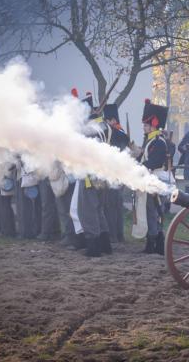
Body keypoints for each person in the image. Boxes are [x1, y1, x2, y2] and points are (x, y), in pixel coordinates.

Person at [69, 91, 111, 257]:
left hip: (90, 177)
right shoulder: (100, 128)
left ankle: (94, 245)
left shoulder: (89, 131)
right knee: (98, 210)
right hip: (101, 176)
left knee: (89, 211)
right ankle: (105, 244)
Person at [132, 99, 168, 255]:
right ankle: (154, 243)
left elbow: (154, 161)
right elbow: (146, 158)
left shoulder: (158, 142)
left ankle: (154, 244)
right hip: (150, 179)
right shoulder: (151, 140)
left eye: (146, 125)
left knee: (153, 212)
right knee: (150, 213)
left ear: (153, 124)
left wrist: (141, 167)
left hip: (155, 180)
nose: (144, 128)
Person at [103, 103, 129, 243]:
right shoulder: (120, 133)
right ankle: (119, 235)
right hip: (117, 174)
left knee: (112, 206)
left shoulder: (117, 134)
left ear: (112, 120)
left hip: (115, 175)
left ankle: (114, 235)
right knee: (115, 206)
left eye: (107, 121)